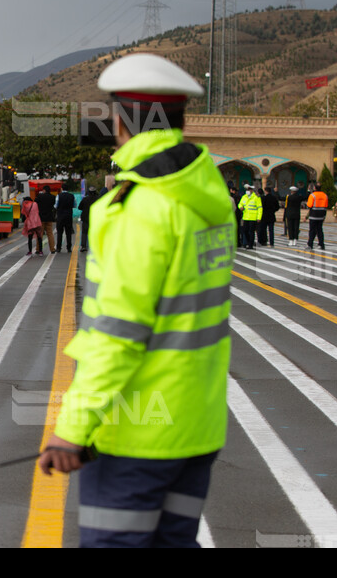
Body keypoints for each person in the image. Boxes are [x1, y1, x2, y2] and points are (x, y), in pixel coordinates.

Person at [38, 53, 234, 548]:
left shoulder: (137, 207)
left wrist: (74, 429)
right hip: (196, 429)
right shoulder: (207, 196)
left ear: (123, 123)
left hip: (137, 434)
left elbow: (117, 333)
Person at [305, 182, 328, 250]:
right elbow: (326, 205)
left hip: (313, 215)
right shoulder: (325, 195)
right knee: (320, 230)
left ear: (315, 188)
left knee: (312, 230)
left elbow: (309, 205)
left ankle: (310, 244)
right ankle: (321, 244)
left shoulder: (313, 195)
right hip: (321, 215)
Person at [238, 185, 262, 250]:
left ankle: (250, 244)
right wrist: (240, 207)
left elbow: (259, 208)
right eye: (246, 190)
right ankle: (249, 242)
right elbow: (240, 204)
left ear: (251, 190)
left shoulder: (256, 198)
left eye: (248, 190)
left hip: (253, 217)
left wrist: (259, 217)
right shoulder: (244, 197)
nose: (247, 191)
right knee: (245, 231)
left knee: (251, 232)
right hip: (245, 217)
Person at [35, 185, 57, 254]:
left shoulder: (40, 196)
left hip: (41, 218)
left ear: (44, 190)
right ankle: (52, 249)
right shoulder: (53, 197)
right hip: (49, 217)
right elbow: (54, 205)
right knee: (50, 234)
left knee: (40, 234)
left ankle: (38, 249)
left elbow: (35, 202)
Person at [55, 184, 76, 252]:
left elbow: (56, 205)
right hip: (68, 215)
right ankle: (69, 247)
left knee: (60, 232)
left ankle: (58, 247)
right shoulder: (72, 196)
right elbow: (74, 205)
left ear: (62, 189)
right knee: (68, 232)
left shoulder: (59, 196)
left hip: (60, 216)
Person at [78, 186, 99, 252]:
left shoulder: (85, 199)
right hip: (95, 217)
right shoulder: (98, 199)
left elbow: (79, 207)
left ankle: (83, 246)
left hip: (86, 217)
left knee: (84, 232)